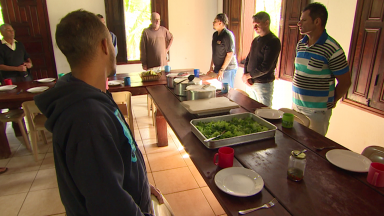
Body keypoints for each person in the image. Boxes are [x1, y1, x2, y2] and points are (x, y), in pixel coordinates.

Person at [34, 10, 163, 216]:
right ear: (105, 45)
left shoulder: (91, 95)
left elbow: (112, 166)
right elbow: (109, 204)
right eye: (112, 43)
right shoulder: (86, 119)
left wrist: (141, 186)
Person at [293, 3, 351, 135]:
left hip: (316, 112)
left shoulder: (333, 49)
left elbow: (346, 82)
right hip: (297, 107)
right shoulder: (301, 44)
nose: (299, 23)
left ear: (317, 21)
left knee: (313, 148)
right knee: (295, 145)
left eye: (304, 20)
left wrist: (332, 100)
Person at [242, 12, 281, 107]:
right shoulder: (256, 40)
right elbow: (248, 59)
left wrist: (249, 75)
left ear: (266, 23)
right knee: (251, 109)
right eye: (253, 25)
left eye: (257, 24)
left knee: (264, 113)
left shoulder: (273, 41)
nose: (254, 28)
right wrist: (245, 75)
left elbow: (266, 67)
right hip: (251, 82)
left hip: (263, 85)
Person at [208, 13, 238, 88]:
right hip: (218, 68)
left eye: (215, 21)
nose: (213, 23)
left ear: (220, 23)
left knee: (227, 92)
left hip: (227, 69)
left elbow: (230, 54)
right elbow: (214, 52)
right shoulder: (215, 35)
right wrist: (211, 66)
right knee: (217, 90)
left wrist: (222, 70)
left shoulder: (227, 35)